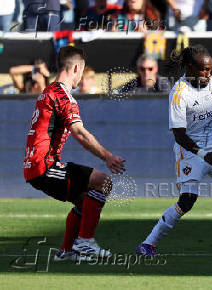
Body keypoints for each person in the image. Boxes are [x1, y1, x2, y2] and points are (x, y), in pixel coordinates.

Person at [136, 45, 212, 256]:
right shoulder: (179, 93)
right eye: (203, 70)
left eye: (210, 69)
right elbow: (179, 135)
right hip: (191, 153)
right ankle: (148, 244)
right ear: (190, 68)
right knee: (187, 201)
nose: (208, 74)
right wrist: (203, 154)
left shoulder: (211, 82)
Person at [23, 46, 126, 261]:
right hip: (44, 166)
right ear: (77, 68)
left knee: (84, 200)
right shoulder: (63, 96)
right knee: (103, 181)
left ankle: (67, 251)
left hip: (37, 166)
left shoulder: (48, 91)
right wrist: (107, 156)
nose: (81, 76)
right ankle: (86, 242)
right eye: (82, 71)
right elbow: (80, 134)